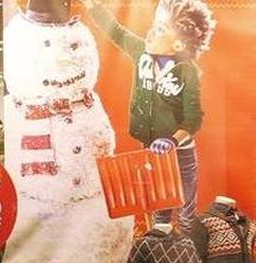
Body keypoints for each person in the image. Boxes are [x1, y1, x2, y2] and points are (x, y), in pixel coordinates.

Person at [82, 0, 216, 234]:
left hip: (181, 154)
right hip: (152, 152)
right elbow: (117, 32)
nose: (151, 31)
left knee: (186, 217)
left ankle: (192, 257)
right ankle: (162, 255)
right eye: (155, 24)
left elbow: (193, 119)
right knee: (160, 215)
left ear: (178, 44)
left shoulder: (188, 72)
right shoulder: (142, 53)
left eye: (161, 28)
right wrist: (93, 6)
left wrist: (171, 141)